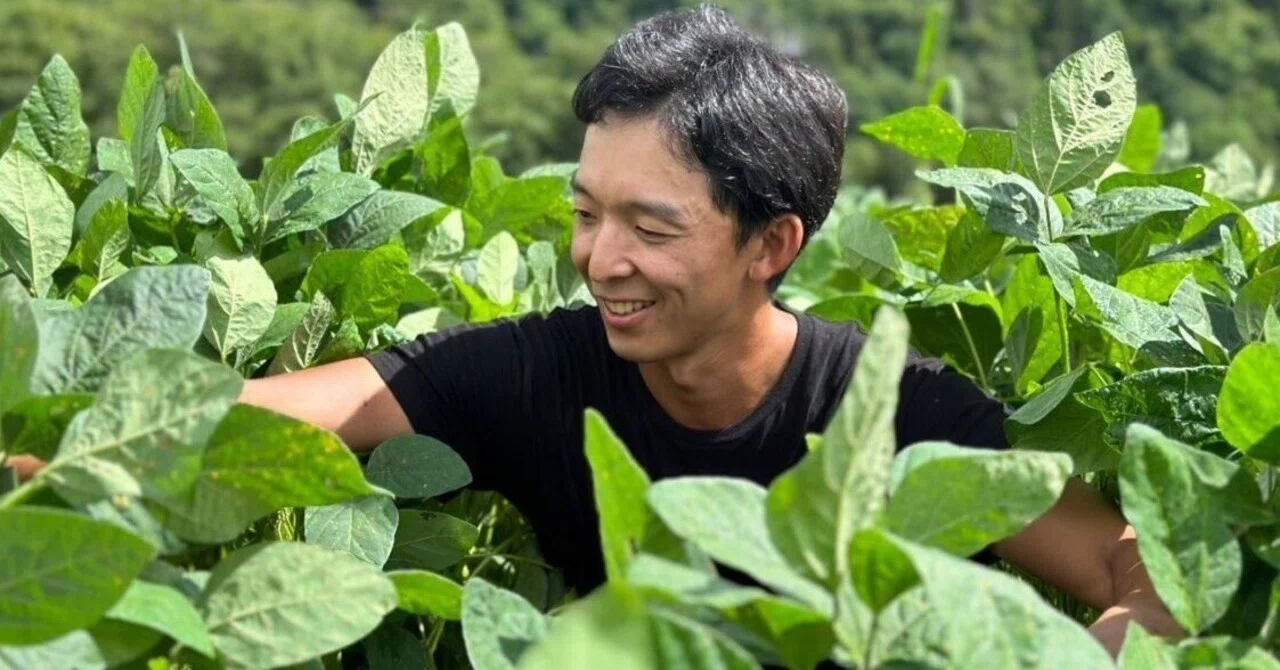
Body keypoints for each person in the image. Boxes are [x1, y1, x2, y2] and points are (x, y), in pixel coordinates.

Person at [10, 3, 1182, 658]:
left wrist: (1119, 635)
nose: (599, 258)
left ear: (770, 245)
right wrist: (51, 461)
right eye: (584, 212)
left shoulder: (899, 410)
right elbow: (251, 421)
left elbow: (1133, 566)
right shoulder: (530, 372)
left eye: (648, 226)